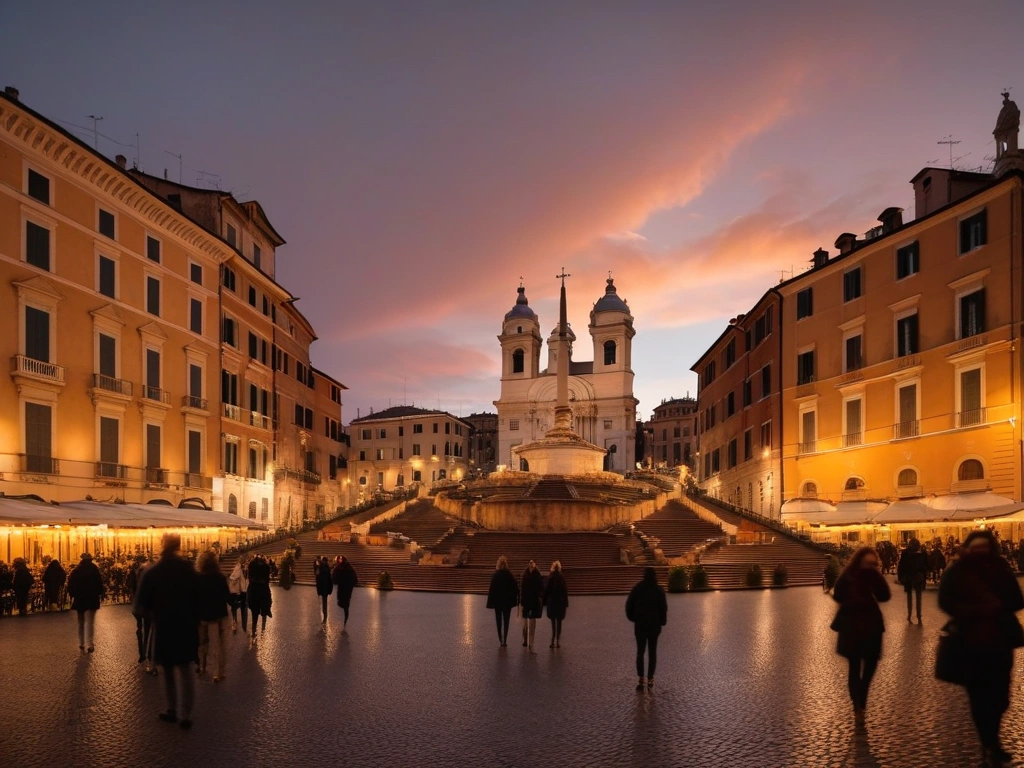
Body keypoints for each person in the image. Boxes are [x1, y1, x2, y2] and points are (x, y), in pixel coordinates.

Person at [939, 529, 1024, 766]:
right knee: (978, 696)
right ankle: (990, 744)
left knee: (1000, 697)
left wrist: (997, 607)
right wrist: (972, 611)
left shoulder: (1001, 569)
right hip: (969, 644)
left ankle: (991, 740)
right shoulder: (957, 571)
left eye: (984, 548)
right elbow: (944, 600)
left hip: (999, 643)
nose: (980, 553)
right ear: (967, 548)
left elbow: (1018, 600)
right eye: (975, 548)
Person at [135, 533, 200, 729]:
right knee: (186, 669)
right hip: (187, 625)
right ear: (179, 546)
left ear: (162, 545)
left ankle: (172, 709)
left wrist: (151, 614)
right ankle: (186, 713)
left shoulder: (153, 571)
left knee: (169, 669)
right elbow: (199, 596)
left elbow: (139, 605)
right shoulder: (188, 569)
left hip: (164, 625)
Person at [830, 546, 891, 727]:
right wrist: (854, 600)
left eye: (873, 564)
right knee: (855, 667)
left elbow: (885, 595)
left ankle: (861, 699)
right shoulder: (849, 575)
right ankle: (858, 705)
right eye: (868, 563)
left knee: (870, 666)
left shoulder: (873, 576)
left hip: (871, 626)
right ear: (859, 560)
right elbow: (838, 594)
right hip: (852, 626)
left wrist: (875, 576)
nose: (870, 566)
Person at [625, 567, 668, 691]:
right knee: (652, 652)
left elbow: (629, 605)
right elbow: (663, 608)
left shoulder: (638, 588)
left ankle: (641, 679)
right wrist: (662, 621)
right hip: (654, 626)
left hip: (640, 625)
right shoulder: (659, 590)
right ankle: (650, 679)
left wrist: (633, 618)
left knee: (640, 652)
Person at [196, 551, 231, 683]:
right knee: (218, 644)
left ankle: (202, 665)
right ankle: (217, 673)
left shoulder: (198, 578)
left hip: (202, 616)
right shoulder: (220, 578)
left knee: (202, 642)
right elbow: (227, 597)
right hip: (218, 615)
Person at [66, 552, 105, 652]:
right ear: (91, 560)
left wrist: (73, 594)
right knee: (90, 622)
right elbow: (99, 583)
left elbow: (70, 584)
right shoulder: (94, 569)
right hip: (92, 598)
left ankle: (81, 643)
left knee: (81, 622)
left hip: (80, 598)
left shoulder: (77, 570)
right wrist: (99, 593)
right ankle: (90, 644)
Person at [131, 560, 157, 675]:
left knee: (142, 631)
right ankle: (148, 657)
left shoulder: (139, 577)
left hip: (141, 610)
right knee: (149, 633)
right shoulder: (150, 579)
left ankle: (143, 655)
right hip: (147, 610)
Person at [486, 556, 518, 647]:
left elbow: (492, 589)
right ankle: (505, 639)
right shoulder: (509, 574)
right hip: (507, 602)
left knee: (499, 620)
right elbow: (515, 588)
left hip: (498, 602)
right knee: (506, 621)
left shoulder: (496, 575)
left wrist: (491, 602)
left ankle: (500, 638)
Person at [897, 538, 929, 623]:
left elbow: (901, 566)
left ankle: (909, 615)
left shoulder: (905, 553)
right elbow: (925, 567)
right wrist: (924, 579)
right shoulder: (922, 554)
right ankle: (919, 616)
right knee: (918, 597)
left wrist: (901, 577)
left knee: (909, 597)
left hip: (908, 577)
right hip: (918, 577)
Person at [246, 553, 273, 640]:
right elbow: (267, 579)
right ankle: (263, 626)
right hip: (263, 590)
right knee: (265, 606)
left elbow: (249, 577)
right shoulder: (266, 566)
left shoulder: (252, 565)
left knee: (254, 612)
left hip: (254, 590)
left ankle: (253, 631)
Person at [519, 560, 544, 650]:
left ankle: (531, 642)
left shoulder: (537, 575)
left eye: (533, 562)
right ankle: (525, 640)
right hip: (526, 601)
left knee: (532, 624)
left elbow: (541, 588)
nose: (531, 563)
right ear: (528, 564)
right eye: (530, 562)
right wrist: (521, 601)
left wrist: (539, 596)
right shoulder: (525, 574)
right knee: (525, 624)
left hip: (534, 601)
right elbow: (522, 588)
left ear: (535, 564)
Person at [543, 561, 569, 649]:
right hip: (560, 603)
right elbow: (565, 591)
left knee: (553, 622)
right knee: (559, 622)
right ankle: (557, 640)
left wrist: (544, 601)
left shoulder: (551, 577)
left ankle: (552, 639)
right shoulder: (562, 578)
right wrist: (566, 603)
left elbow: (547, 590)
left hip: (552, 602)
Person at [331, 555, 358, 632]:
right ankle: (345, 615)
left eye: (341, 559)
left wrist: (352, 583)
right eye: (339, 559)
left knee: (346, 604)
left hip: (347, 587)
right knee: (341, 602)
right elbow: (334, 577)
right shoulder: (338, 567)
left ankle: (345, 619)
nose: (340, 560)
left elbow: (354, 577)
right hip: (342, 587)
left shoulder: (348, 567)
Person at [228, 556, 249, 634]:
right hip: (243, 590)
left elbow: (233, 577)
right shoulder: (244, 568)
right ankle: (242, 625)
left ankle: (235, 623)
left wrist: (231, 578)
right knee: (243, 608)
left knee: (235, 608)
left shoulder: (239, 567)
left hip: (238, 591)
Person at [314, 554, 334, 623]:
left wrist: (317, 566)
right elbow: (330, 579)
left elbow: (317, 576)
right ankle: (325, 616)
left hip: (322, 587)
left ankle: (325, 616)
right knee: (324, 602)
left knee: (324, 603)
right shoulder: (327, 568)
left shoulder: (321, 568)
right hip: (326, 588)